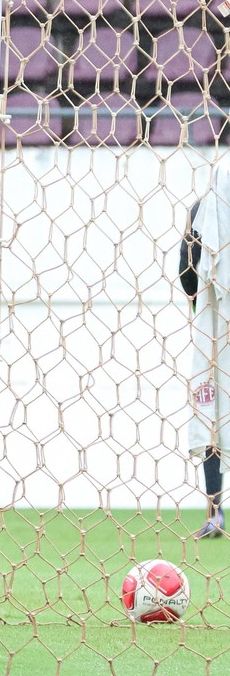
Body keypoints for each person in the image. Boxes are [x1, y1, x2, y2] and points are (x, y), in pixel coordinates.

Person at [181, 172, 228, 540]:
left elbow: (186, 265)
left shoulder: (202, 207)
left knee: (209, 408)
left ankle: (215, 513)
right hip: (212, 324)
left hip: (213, 328)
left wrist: (198, 300)